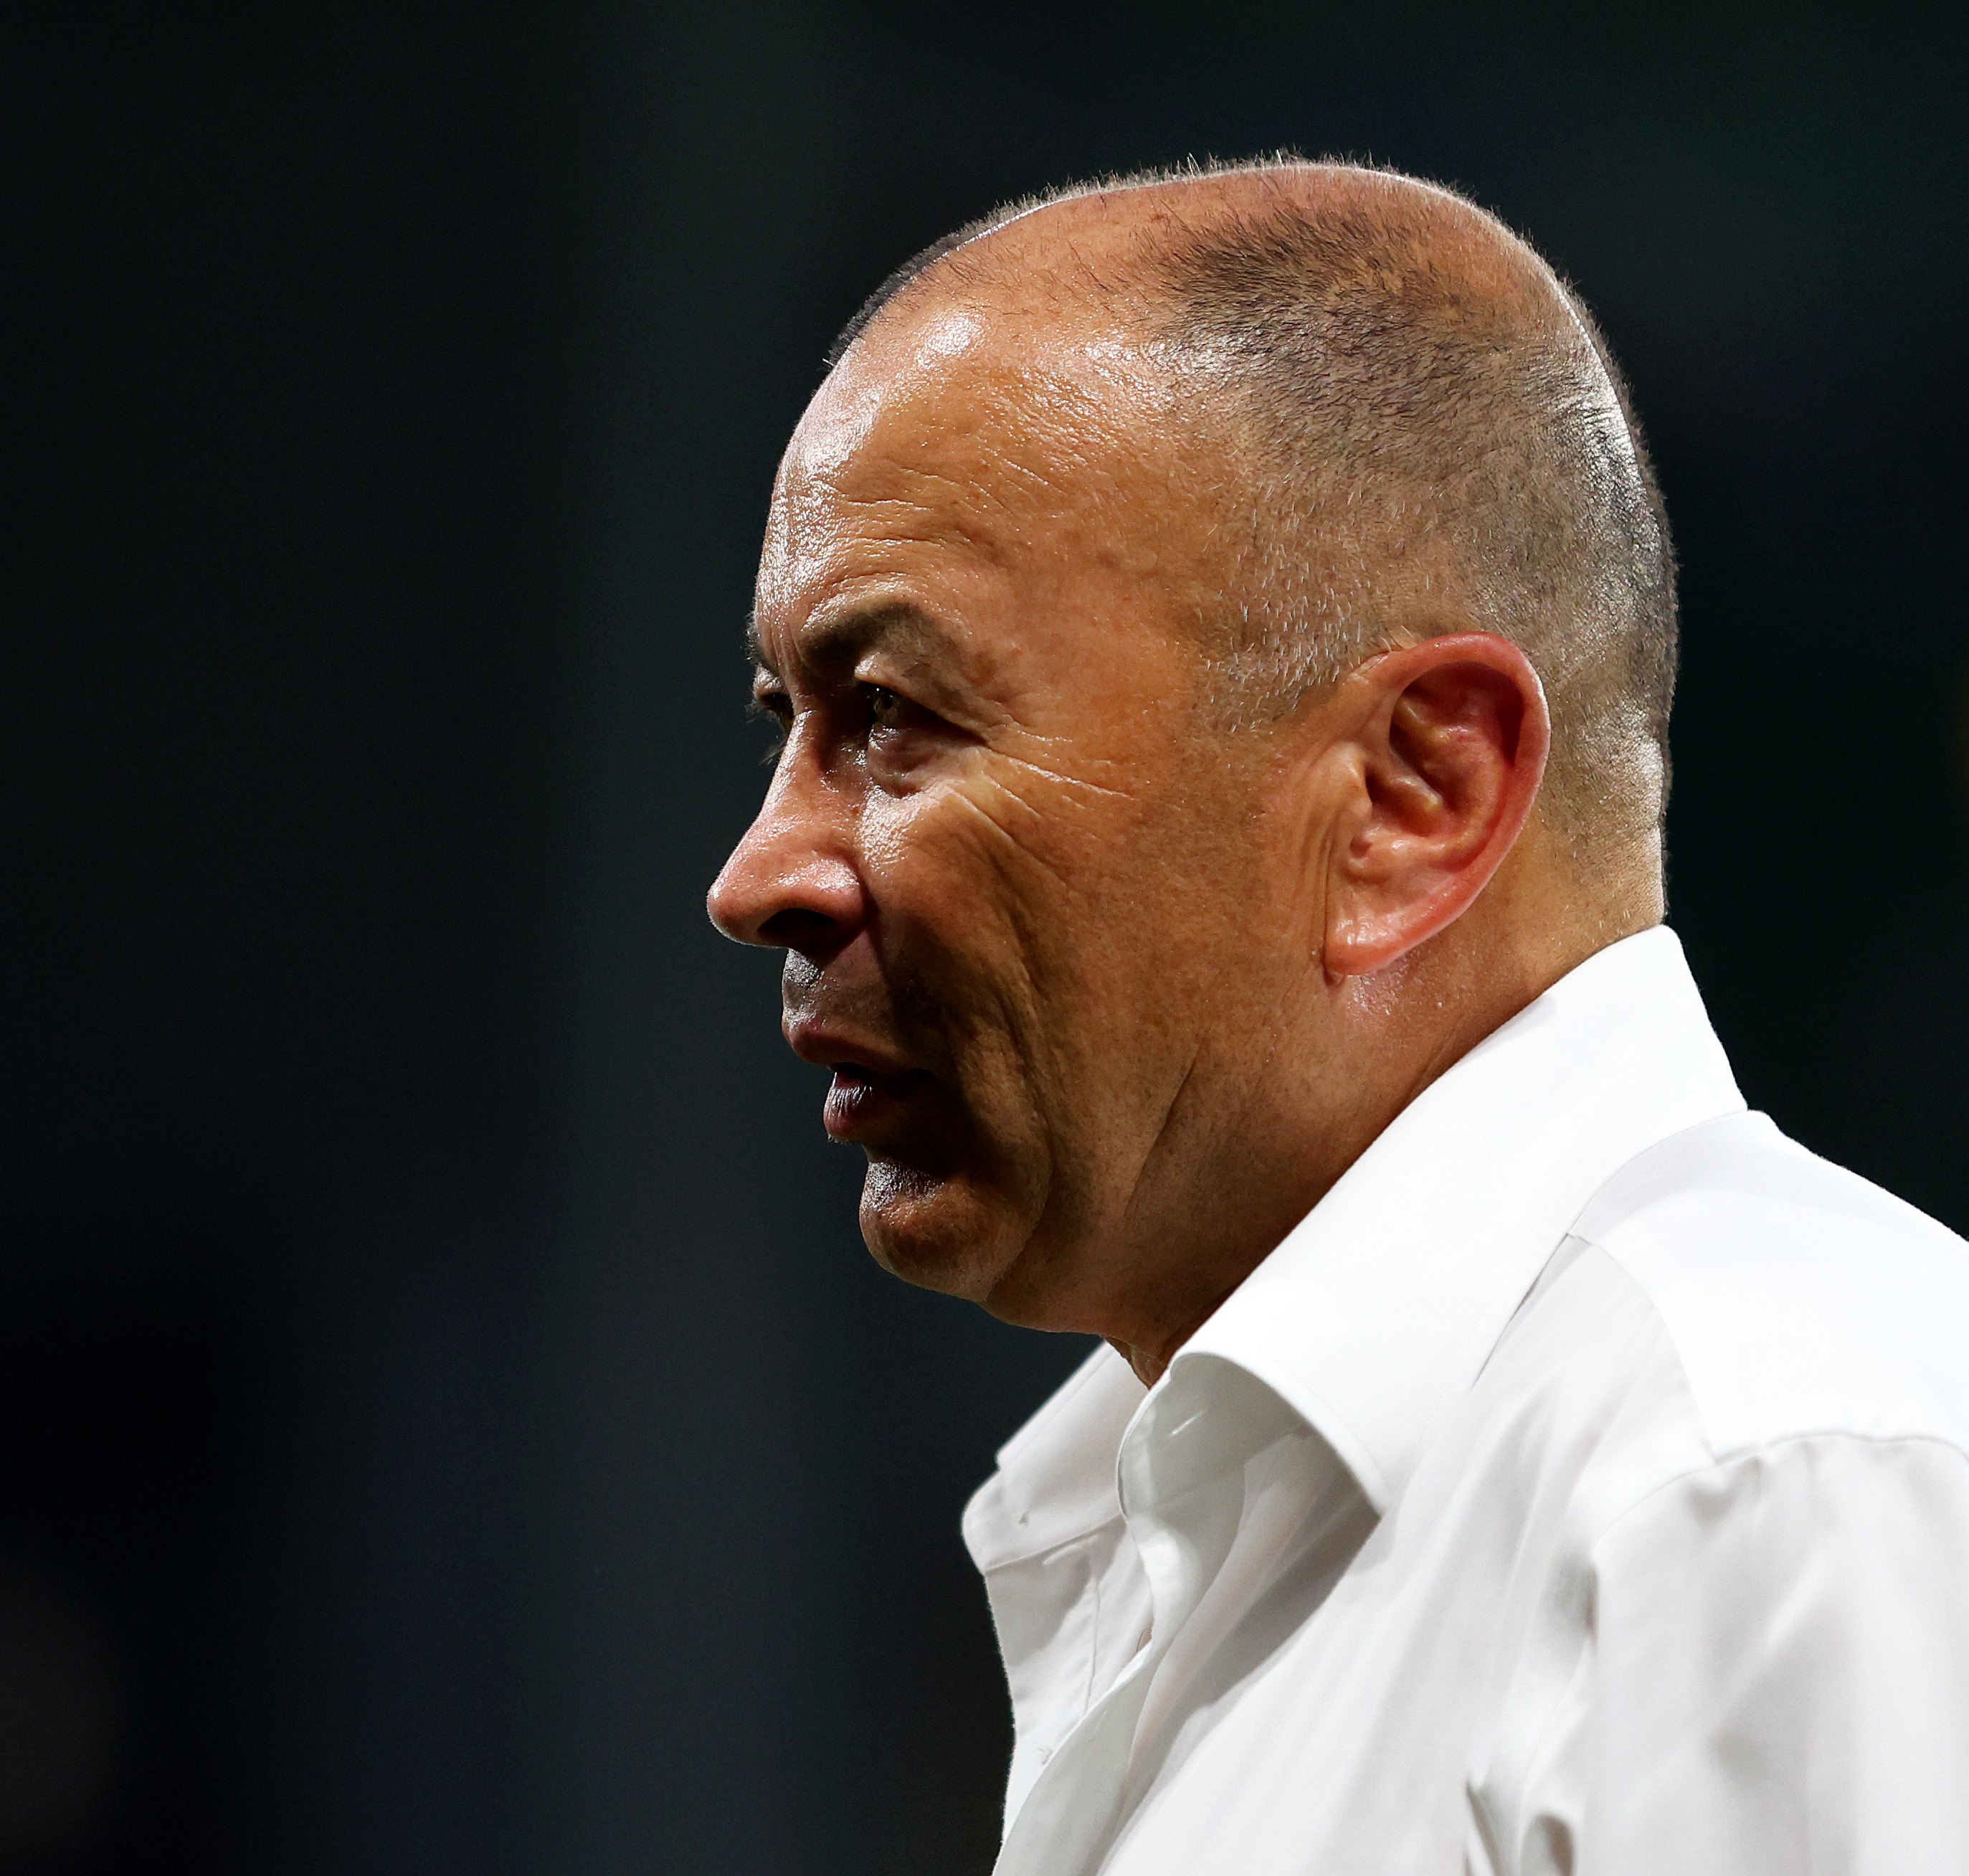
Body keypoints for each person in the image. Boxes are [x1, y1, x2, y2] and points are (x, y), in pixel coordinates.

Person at [707, 156, 1969, 1876]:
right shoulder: (1220, 1532)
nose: (761, 870)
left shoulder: (1764, 1477)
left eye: (897, 715)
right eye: (787, 717)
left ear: (1408, 798)